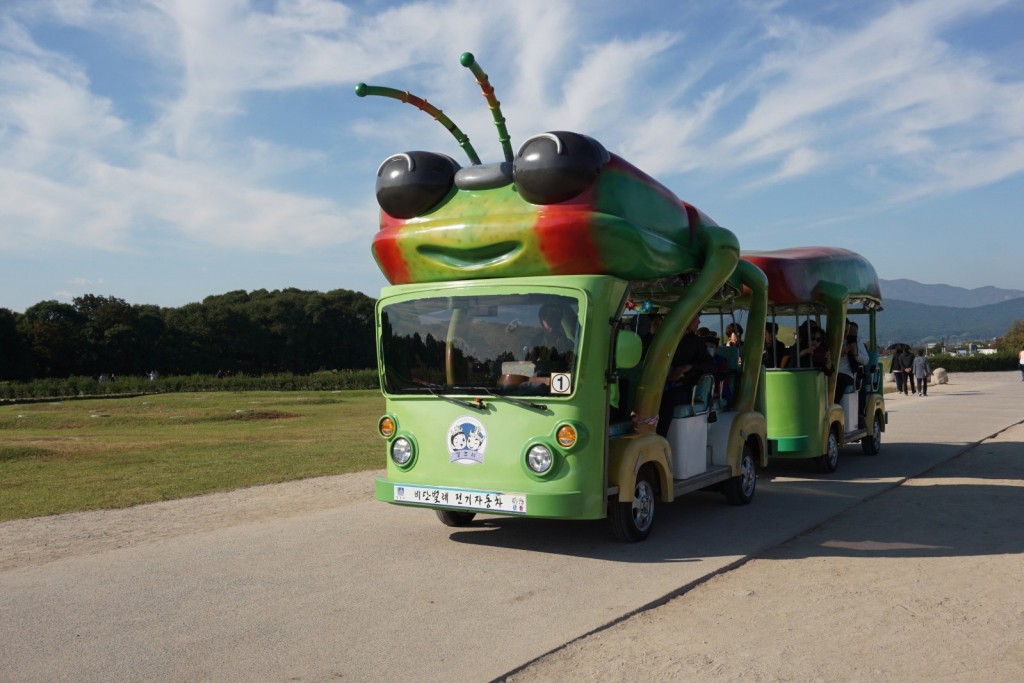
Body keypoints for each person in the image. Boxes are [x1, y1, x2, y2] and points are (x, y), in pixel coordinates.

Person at [657, 315, 716, 437]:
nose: (699, 321)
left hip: (686, 387)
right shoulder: (667, 339)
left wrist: (690, 366)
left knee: (668, 398)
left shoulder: (696, 342)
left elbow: (710, 365)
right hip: (661, 384)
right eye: (696, 317)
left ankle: (659, 438)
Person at [526, 303, 574, 383]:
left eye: (556, 318)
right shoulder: (532, 343)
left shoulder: (568, 345)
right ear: (541, 321)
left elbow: (570, 375)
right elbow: (525, 370)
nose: (553, 323)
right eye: (549, 319)